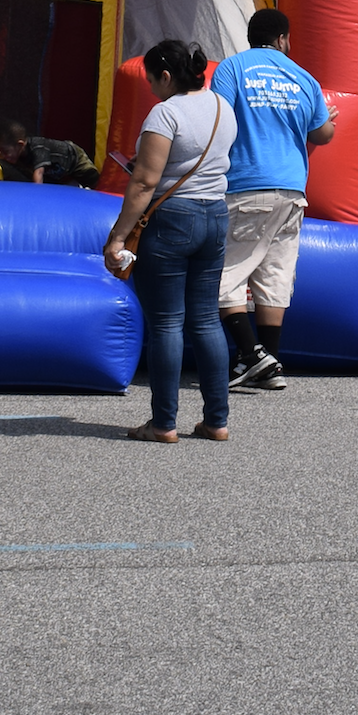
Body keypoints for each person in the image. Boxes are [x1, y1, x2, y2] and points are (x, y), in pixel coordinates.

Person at [103, 38, 236, 442]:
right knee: (206, 320)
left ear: (165, 75)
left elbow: (145, 181)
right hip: (215, 214)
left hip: (173, 218)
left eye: (151, 79)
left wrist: (117, 237)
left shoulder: (165, 114)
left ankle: (163, 423)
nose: (149, 88)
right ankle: (216, 420)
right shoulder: (221, 106)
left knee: (166, 323)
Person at [207, 7, 335, 389]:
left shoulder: (232, 69)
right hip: (292, 191)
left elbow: (219, 117)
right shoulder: (304, 78)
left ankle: (250, 356)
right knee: (275, 277)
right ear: (283, 39)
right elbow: (323, 133)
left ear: (251, 38)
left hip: (247, 185)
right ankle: (271, 363)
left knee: (222, 278)